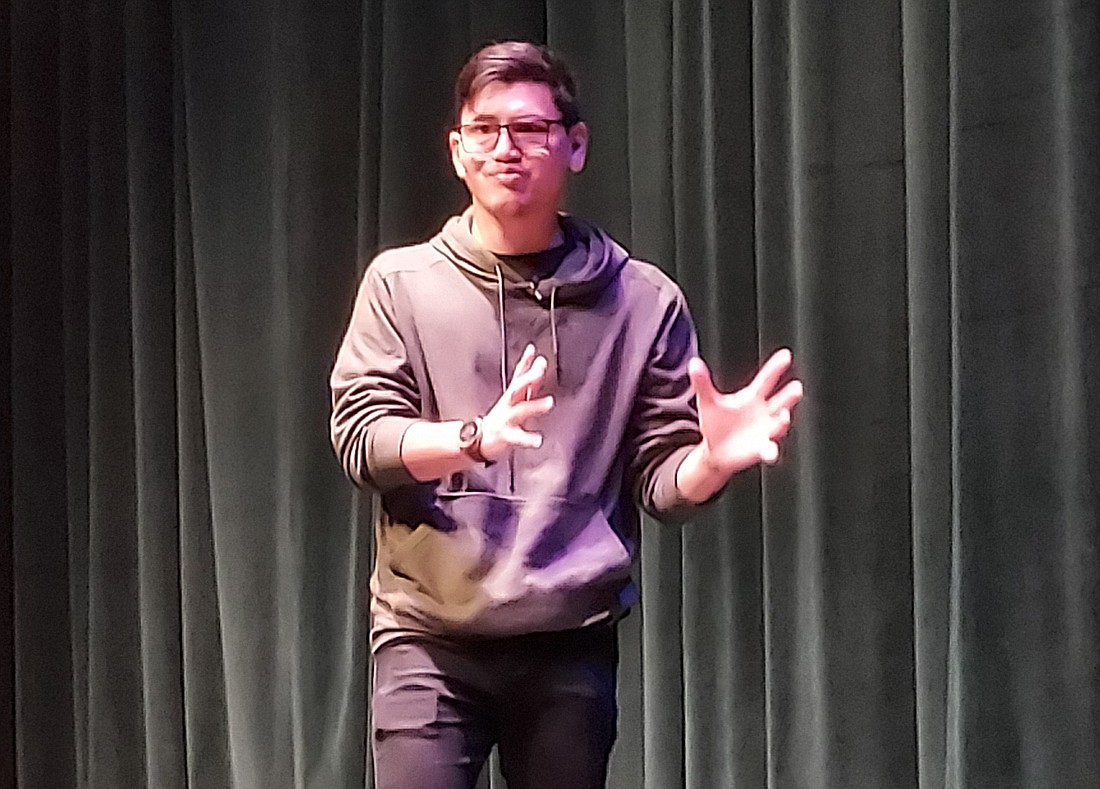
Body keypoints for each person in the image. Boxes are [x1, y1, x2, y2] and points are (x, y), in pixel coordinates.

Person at [330, 40, 803, 789]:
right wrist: (472, 439)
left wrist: (709, 461)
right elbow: (363, 438)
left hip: (567, 641)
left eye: (530, 129)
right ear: (457, 151)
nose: (505, 149)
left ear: (574, 144)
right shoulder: (401, 285)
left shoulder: (643, 301)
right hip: (429, 634)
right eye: (484, 131)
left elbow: (659, 479)